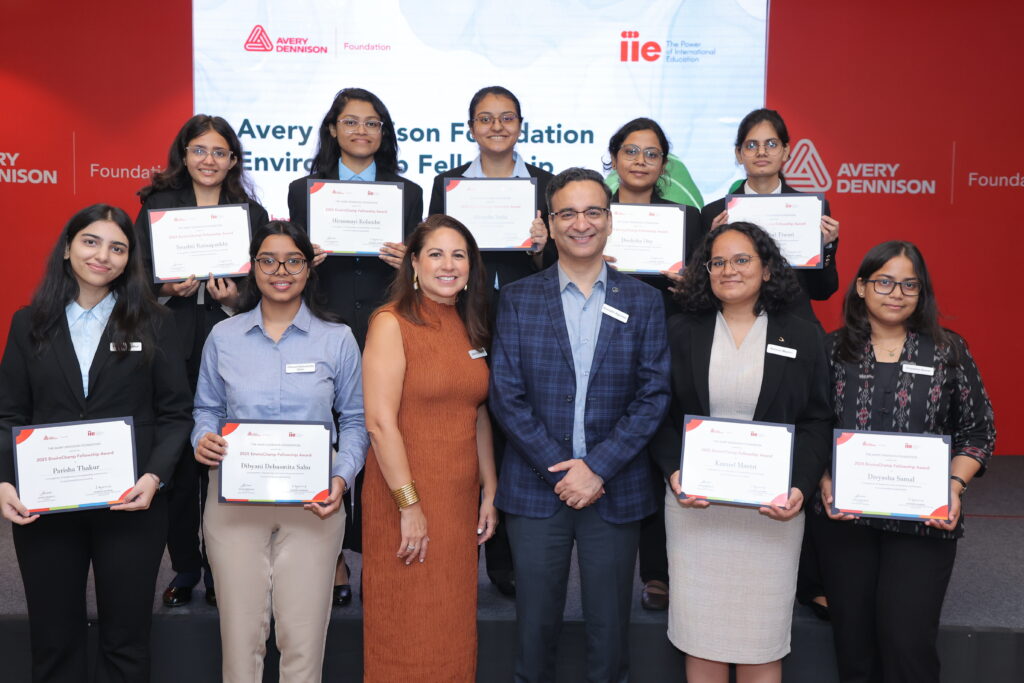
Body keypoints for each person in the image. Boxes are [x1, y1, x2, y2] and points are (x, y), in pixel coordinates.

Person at [489, 167, 671, 682]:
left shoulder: (645, 301)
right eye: (567, 213)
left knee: (609, 635)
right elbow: (506, 395)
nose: (581, 223)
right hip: (535, 488)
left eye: (593, 211)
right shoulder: (519, 298)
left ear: (611, 222)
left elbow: (653, 393)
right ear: (549, 222)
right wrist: (562, 471)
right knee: (533, 632)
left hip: (614, 489)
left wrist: (598, 468)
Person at [0, 204, 192, 682]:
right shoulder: (29, 324)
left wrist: (154, 477)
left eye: (117, 247)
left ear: (130, 261)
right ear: (67, 248)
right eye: (91, 241)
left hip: (131, 503)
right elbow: (8, 414)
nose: (102, 255)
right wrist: (5, 480)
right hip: (44, 505)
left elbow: (174, 414)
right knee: (53, 637)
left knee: (126, 640)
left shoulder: (154, 322)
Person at [649, 221, 832, 683]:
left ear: (767, 269)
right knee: (701, 635)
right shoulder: (679, 331)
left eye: (742, 259)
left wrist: (800, 486)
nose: (729, 269)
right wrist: (674, 473)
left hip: (772, 512)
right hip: (696, 509)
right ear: (705, 271)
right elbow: (658, 414)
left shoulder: (803, 334)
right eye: (718, 261)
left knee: (760, 637)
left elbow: (816, 419)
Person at [809, 241, 995, 683]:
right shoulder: (831, 350)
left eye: (910, 284)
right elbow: (810, 423)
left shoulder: (948, 350)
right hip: (844, 520)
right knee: (853, 646)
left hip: (923, 522)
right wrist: (822, 478)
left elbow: (979, 432)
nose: (897, 293)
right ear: (860, 287)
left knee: (907, 644)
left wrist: (953, 486)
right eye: (885, 282)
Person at [191, 221, 367, 683]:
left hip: (314, 502)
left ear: (309, 269)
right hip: (233, 500)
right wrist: (201, 438)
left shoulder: (338, 338)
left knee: (303, 639)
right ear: (253, 268)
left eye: (293, 260)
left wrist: (342, 477)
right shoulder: (224, 337)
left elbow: (354, 420)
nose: (280, 271)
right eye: (268, 260)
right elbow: (206, 408)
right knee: (241, 636)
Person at [287, 88, 423, 603]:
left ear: (383, 133)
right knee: (334, 433)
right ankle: (337, 556)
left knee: (382, 430)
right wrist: (307, 257)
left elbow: (423, 261)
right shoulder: (304, 191)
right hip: (328, 322)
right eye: (351, 122)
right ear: (332, 129)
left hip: (388, 322)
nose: (361, 131)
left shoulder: (407, 192)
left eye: (372, 123)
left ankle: (378, 549)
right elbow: (290, 260)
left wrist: (409, 257)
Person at [135, 113, 270, 608]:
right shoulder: (157, 206)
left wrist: (235, 299)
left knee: (221, 455)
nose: (208, 160)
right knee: (177, 460)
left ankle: (221, 567)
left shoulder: (251, 214)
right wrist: (164, 288)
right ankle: (187, 566)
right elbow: (135, 276)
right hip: (168, 343)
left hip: (230, 343)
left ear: (233, 159)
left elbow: (266, 282)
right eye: (199, 150)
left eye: (219, 152)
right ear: (184, 155)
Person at [428, 85, 555, 597]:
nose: (497, 127)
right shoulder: (448, 185)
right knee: (465, 436)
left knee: (515, 439)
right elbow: (439, 255)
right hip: (467, 320)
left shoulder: (547, 186)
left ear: (522, 126)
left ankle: (506, 563)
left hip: (531, 325)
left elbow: (566, 260)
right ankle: (457, 554)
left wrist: (544, 249)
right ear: (471, 128)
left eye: (507, 118)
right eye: (486, 118)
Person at [360, 214, 497, 682]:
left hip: (458, 505)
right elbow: (379, 423)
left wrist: (491, 490)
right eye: (435, 253)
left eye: (459, 255)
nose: (448, 264)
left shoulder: (470, 325)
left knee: (451, 624)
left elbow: (476, 411)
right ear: (413, 263)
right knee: (405, 626)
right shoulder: (390, 323)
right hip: (404, 501)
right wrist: (409, 504)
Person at [604, 116, 703, 611]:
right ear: (615, 158)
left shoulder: (686, 220)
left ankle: (660, 572)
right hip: (608, 345)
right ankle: (618, 568)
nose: (640, 161)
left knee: (666, 452)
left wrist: (690, 286)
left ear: (664, 165)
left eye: (651, 154)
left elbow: (705, 291)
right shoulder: (594, 216)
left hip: (668, 345)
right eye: (631, 151)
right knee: (623, 456)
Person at [701, 108, 841, 327]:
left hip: (793, 323)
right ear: (738, 154)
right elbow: (701, 289)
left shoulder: (810, 210)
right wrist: (710, 245)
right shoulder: (714, 214)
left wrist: (826, 246)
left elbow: (823, 291)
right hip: (733, 324)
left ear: (786, 151)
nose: (762, 152)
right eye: (751, 145)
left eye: (772, 144)